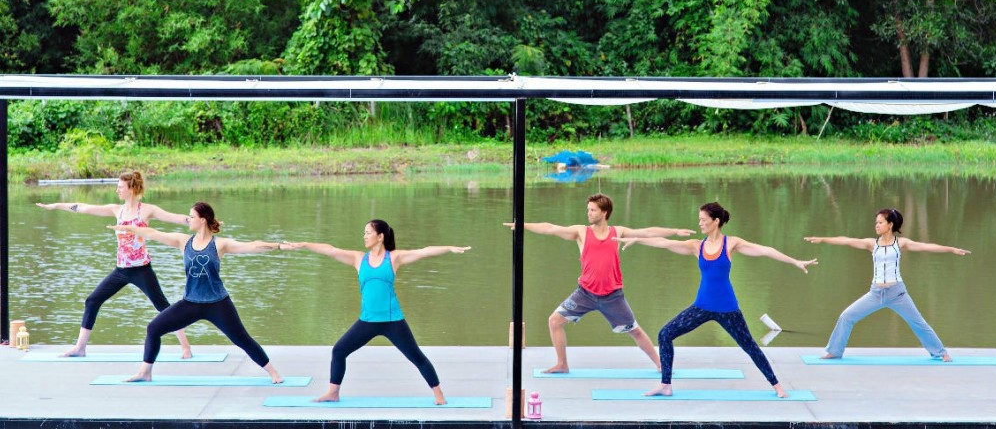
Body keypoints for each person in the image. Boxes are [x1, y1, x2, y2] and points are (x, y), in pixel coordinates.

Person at [621, 201, 817, 398]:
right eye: (699, 220)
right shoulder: (696, 246)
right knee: (665, 334)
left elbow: (766, 250)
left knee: (749, 346)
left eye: (703, 220)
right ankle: (666, 385)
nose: (700, 223)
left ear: (715, 221)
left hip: (727, 308)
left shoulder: (731, 243)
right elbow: (665, 243)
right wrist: (637, 239)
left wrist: (795, 261)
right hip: (702, 306)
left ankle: (777, 386)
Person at [281, 220, 470, 404]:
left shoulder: (394, 258)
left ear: (380, 237)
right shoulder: (358, 258)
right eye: (364, 233)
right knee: (339, 351)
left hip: (392, 321)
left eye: (368, 232)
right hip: (367, 321)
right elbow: (330, 250)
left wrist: (449, 248)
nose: (364, 236)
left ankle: (439, 394)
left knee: (417, 357)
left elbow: (423, 252)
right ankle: (333, 392)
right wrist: (304, 244)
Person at [504, 192, 694, 373]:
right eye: (588, 209)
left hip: (613, 297)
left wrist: (675, 231)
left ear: (604, 212)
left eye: (593, 210)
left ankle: (661, 365)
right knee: (554, 321)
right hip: (584, 294)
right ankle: (562, 364)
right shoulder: (581, 232)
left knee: (635, 331)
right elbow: (551, 228)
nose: (588, 213)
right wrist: (522, 225)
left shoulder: (617, 232)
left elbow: (646, 232)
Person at [110, 201, 284, 383]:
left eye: (192, 217)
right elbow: (153, 233)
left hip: (218, 303)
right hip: (191, 303)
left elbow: (253, 246)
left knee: (242, 339)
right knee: (153, 328)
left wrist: (279, 246)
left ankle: (273, 373)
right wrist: (127, 227)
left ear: (202, 220)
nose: (189, 220)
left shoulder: (220, 244)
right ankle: (145, 372)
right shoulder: (183, 241)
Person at [36, 170, 193, 358]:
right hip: (121, 271)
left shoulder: (146, 210)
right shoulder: (116, 210)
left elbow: (176, 218)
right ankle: (80, 347)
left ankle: (186, 347)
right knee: (92, 301)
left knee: (163, 307)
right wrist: (56, 205)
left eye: (120, 187)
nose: (117, 190)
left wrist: (202, 222)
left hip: (142, 270)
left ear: (131, 189)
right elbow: (83, 207)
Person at [805, 207, 969, 361]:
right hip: (875, 294)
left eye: (880, 222)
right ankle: (834, 351)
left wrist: (951, 249)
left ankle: (941, 352)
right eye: (876, 222)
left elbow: (926, 247)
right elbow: (846, 240)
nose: (877, 225)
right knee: (846, 317)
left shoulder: (901, 243)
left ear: (890, 225)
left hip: (898, 294)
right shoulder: (872, 244)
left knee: (918, 323)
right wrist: (823, 239)